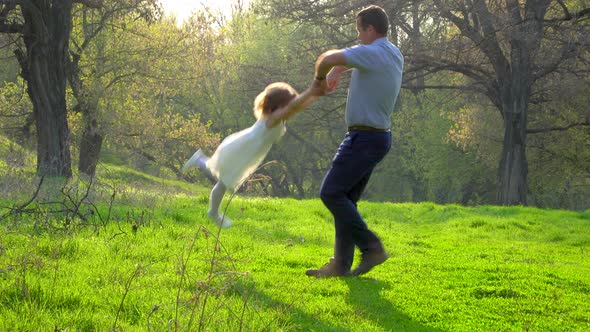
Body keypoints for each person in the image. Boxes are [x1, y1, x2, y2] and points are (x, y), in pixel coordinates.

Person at [291, 5, 404, 277]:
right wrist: (339, 71)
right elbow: (346, 61)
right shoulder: (392, 53)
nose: (358, 38)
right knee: (345, 200)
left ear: (370, 29)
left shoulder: (373, 52)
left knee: (330, 192)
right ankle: (340, 265)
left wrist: (321, 77)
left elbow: (326, 57)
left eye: (359, 31)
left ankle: (371, 247)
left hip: (363, 137)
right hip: (377, 137)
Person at [182, 82, 317, 228]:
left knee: (220, 176)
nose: (292, 109)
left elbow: (297, 106)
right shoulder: (272, 119)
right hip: (241, 150)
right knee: (223, 180)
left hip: (244, 149)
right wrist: (312, 90)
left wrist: (319, 89)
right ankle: (213, 211)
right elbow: (294, 106)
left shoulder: (275, 116)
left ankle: (199, 161)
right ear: (280, 105)